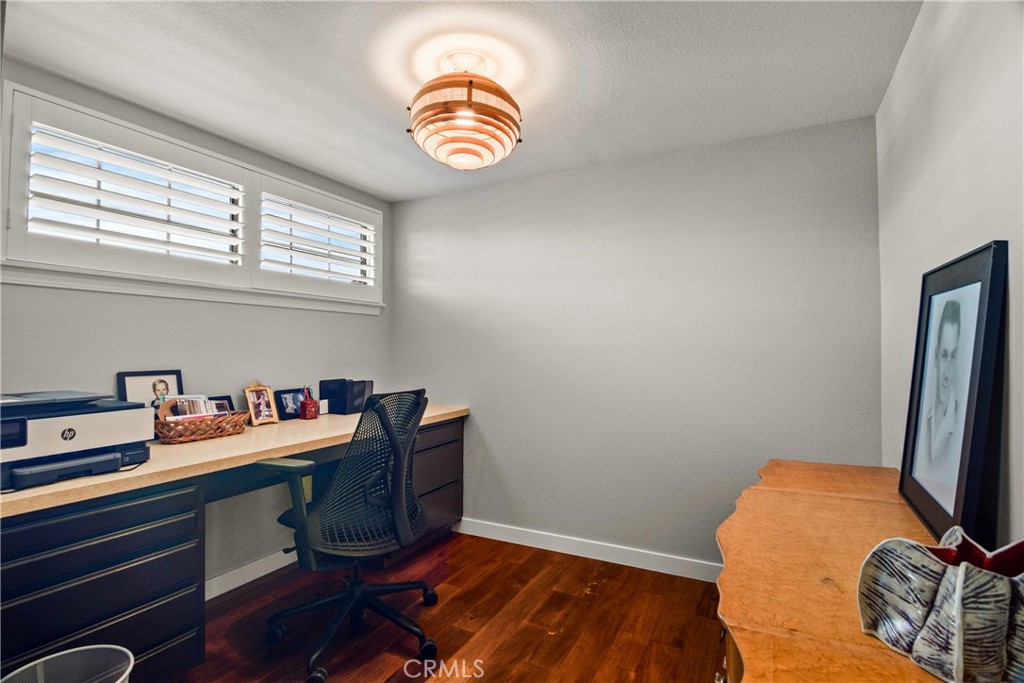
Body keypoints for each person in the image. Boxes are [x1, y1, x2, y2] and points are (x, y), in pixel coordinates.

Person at [921, 300, 961, 476]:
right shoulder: (924, 417)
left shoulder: (960, 421)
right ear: (936, 357)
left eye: (953, 356)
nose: (947, 373)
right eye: (945, 356)